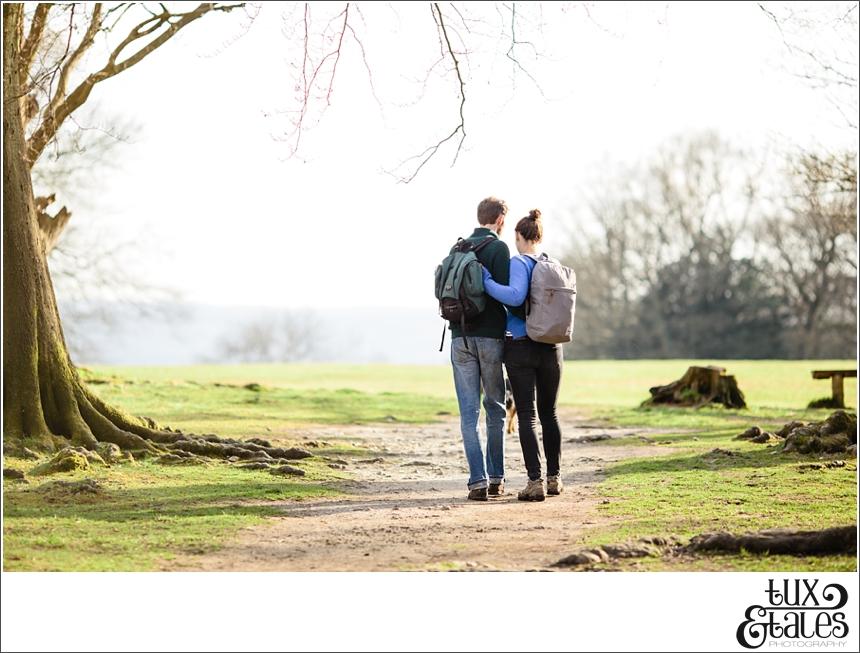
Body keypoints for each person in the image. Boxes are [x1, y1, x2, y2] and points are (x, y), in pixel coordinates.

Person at [482, 209, 564, 502]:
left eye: (516, 239)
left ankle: (535, 482)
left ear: (520, 237)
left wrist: (487, 282)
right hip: (552, 346)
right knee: (549, 413)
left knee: (526, 415)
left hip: (521, 344)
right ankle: (555, 478)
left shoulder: (520, 262)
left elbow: (515, 297)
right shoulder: (552, 263)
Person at [449, 197, 511, 501]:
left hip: (458, 337)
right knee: (495, 410)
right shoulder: (498, 248)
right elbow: (506, 295)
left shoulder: (457, 248)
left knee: (468, 414)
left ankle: (476, 481)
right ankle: (496, 479)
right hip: (490, 338)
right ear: (499, 219)